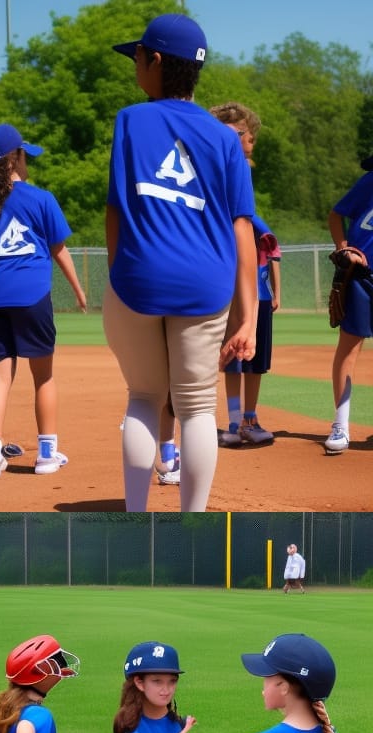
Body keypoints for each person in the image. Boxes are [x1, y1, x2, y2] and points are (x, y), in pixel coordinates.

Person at [104, 14, 257, 511]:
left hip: (137, 279)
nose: (136, 65)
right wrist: (249, 315)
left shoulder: (129, 120)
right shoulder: (223, 139)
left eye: (139, 57)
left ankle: (135, 514)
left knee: (144, 397)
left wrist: (120, 272)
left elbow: (115, 212)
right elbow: (241, 228)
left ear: (156, 61)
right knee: (195, 408)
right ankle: (192, 519)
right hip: (204, 284)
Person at [0, 125, 86, 481]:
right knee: (43, 377)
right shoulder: (41, 199)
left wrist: (0, 281)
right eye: (24, 154)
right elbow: (59, 249)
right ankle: (47, 455)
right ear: (16, 158)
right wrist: (79, 290)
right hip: (31, 296)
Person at [210, 102, 280, 448]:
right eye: (242, 133)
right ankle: (235, 421)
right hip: (229, 277)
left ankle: (247, 419)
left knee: (252, 356)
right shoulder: (215, 168)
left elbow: (246, 216)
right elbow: (238, 216)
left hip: (254, 280)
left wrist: (263, 235)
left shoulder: (243, 169)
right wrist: (264, 230)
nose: (249, 138)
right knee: (233, 352)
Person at [323, 157, 373, 455]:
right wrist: (344, 249)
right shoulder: (369, 182)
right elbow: (335, 214)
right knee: (349, 348)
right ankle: (340, 425)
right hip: (363, 278)